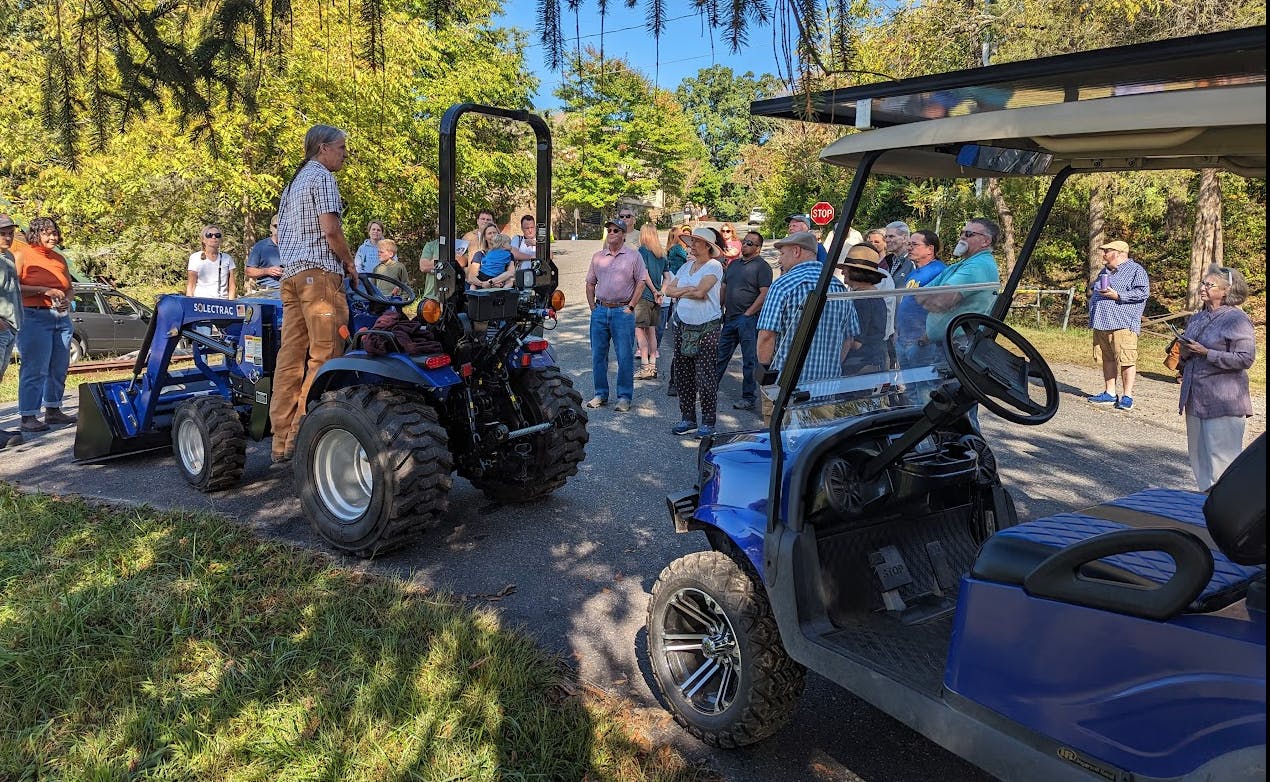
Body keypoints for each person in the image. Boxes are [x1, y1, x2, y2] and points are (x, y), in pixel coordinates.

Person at [269, 124, 358, 465]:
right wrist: (350, 264)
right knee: (326, 357)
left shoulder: (293, 183)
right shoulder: (321, 177)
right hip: (319, 277)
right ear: (323, 148)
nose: (344, 153)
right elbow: (331, 230)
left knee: (289, 359)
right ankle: (301, 435)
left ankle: (280, 439)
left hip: (291, 278)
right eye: (341, 148)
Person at [1178, 267, 1256, 491]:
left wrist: (1206, 353)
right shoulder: (1198, 317)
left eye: (1209, 285)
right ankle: (1203, 506)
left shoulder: (1237, 319)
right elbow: (1187, 356)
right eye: (1203, 283)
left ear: (1227, 291)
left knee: (1222, 461)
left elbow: (1245, 358)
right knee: (1198, 457)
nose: (1202, 288)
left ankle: (1225, 512)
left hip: (1223, 400)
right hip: (1195, 397)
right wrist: (1184, 354)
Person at [757, 231, 858, 404]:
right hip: (826, 387)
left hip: (786, 389)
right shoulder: (838, 286)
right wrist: (831, 366)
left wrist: (765, 376)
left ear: (796, 251)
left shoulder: (783, 285)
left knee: (782, 431)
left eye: (782, 254)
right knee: (822, 431)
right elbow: (848, 338)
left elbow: (767, 336)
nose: (780, 260)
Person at [14, 217, 77, 432]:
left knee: (59, 366)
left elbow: (69, 287)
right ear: (35, 234)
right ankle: (28, 416)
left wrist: (67, 299)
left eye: (55, 233)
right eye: (47, 233)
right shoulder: (23, 255)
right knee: (35, 367)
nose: (52, 237)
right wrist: (43, 290)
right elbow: (12, 288)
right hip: (33, 317)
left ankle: (53, 410)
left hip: (61, 318)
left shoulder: (59, 259)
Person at [584, 217, 649, 412]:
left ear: (623, 234)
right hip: (600, 310)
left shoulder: (633, 256)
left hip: (622, 311)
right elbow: (589, 283)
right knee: (598, 356)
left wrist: (630, 306)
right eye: (609, 230)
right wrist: (592, 307)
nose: (612, 233)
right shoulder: (598, 257)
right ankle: (600, 394)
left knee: (624, 356)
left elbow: (642, 281)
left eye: (616, 231)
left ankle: (624, 397)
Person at [665, 227, 724, 437]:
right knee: (683, 375)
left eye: (697, 241)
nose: (692, 244)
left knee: (705, 376)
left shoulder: (715, 266)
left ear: (708, 246)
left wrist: (684, 292)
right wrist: (688, 290)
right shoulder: (686, 266)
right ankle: (687, 418)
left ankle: (708, 422)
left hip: (707, 326)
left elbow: (701, 292)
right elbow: (668, 290)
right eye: (692, 241)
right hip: (683, 325)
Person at [1087, 239, 1150, 410]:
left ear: (1119, 253)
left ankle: (1127, 396)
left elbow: (1143, 292)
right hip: (1102, 322)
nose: (1104, 254)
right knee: (1107, 358)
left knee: (1126, 360)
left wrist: (1118, 296)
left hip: (1122, 323)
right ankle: (1110, 393)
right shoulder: (1105, 271)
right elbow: (1096, 289)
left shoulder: (1136, 270)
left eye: (1107, 251)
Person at [920, 218, 1001, 350]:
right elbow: (920, 294)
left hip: (957, 347)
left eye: (969, 234)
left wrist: (933, 300)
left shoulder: (978, 266)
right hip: (940, 343)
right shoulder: (961, 265)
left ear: (986, 241)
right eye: (962, 233)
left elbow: (939, 301)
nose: (962, 237)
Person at [715, 230, 772, 411]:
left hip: (749, 319)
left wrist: (748, 313)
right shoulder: (734, 265)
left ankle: (748, 397)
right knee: (720, 355)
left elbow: (764, 294)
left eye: (750, 243)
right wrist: (719, 307)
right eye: (744, 241)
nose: (745, 245)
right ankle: (709, 389)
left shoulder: (762, 267)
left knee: (749, 361)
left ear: (758, 248)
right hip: (730, 317)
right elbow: (724, 287)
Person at [894, 229, 946, 368]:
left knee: (925, 387)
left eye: (915, 244)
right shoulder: (914, 272)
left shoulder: (939, 271)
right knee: (910, 388)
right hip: (904, 338)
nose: (909, 248)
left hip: (923, 342)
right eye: (909, 244)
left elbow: (942, 306)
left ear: (930, 249)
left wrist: (925, 338)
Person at [838, 244, 888, 375]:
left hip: (859, 366)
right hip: (874, 361)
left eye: (846, 269)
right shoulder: (875, 296)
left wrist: (836, 365)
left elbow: (855, 342)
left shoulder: (861, 300)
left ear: (857, 272)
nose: (843, 272)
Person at [0, 214, 23, 447]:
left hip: (11, 326)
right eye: (2, 233)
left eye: (10, 232)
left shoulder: (8, 257)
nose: (7, 237)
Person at [635, 224, 669, 379]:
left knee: (640, 331)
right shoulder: (661, 253)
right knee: (652, 332)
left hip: (644, 296)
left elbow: (644, 273)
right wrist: (661, 291)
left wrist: (654, 291)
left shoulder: (642, 251)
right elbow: (667, 277)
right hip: (657, 298)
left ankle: (645, 366)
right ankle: (653, 364)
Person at [186, 224, 236, 299]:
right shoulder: (195, 258)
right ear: (203, 239)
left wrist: (231, 303)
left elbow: (232, 286)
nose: (213, 237)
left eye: (217, 235)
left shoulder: (227, 258)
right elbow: (191, 285)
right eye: (209, 235)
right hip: (201, 302)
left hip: (222, 303)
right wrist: (189, 303)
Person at [245, 214, 283, 292]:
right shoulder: (261, 246)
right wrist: (267, 271)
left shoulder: (293, 246)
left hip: (291, 290)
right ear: (270, 227)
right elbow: (249, 271)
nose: (279, 229)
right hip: (267, 291)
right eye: (276, 226)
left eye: (282, 226)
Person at [417, 237, 442, 302]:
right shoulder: (431, 245)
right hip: (431, 297)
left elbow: (461, 262)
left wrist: (434, 262)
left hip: (455, 295)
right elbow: (424, 266)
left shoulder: (459, 244)